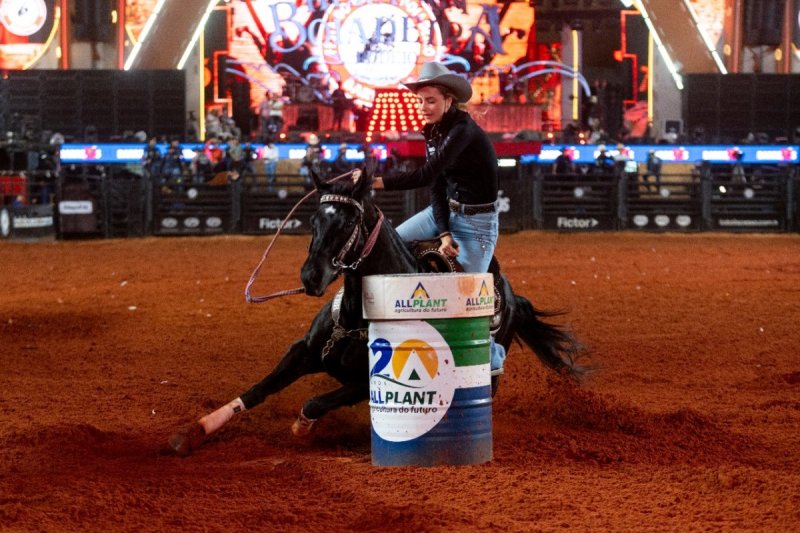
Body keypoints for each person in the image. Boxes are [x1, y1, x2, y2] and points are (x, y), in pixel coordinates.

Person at [371, 60, 505, 373]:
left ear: (448, 100)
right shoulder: (435, 131)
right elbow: (437, 185)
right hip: (446, 213)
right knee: (391, 244)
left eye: (431, 101)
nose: (424, 107)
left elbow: (426, 174)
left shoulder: (462, 131)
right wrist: (444, 233)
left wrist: (377, 181)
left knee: (465, 300)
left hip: (478, 226)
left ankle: (494, 355)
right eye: (421, 101)